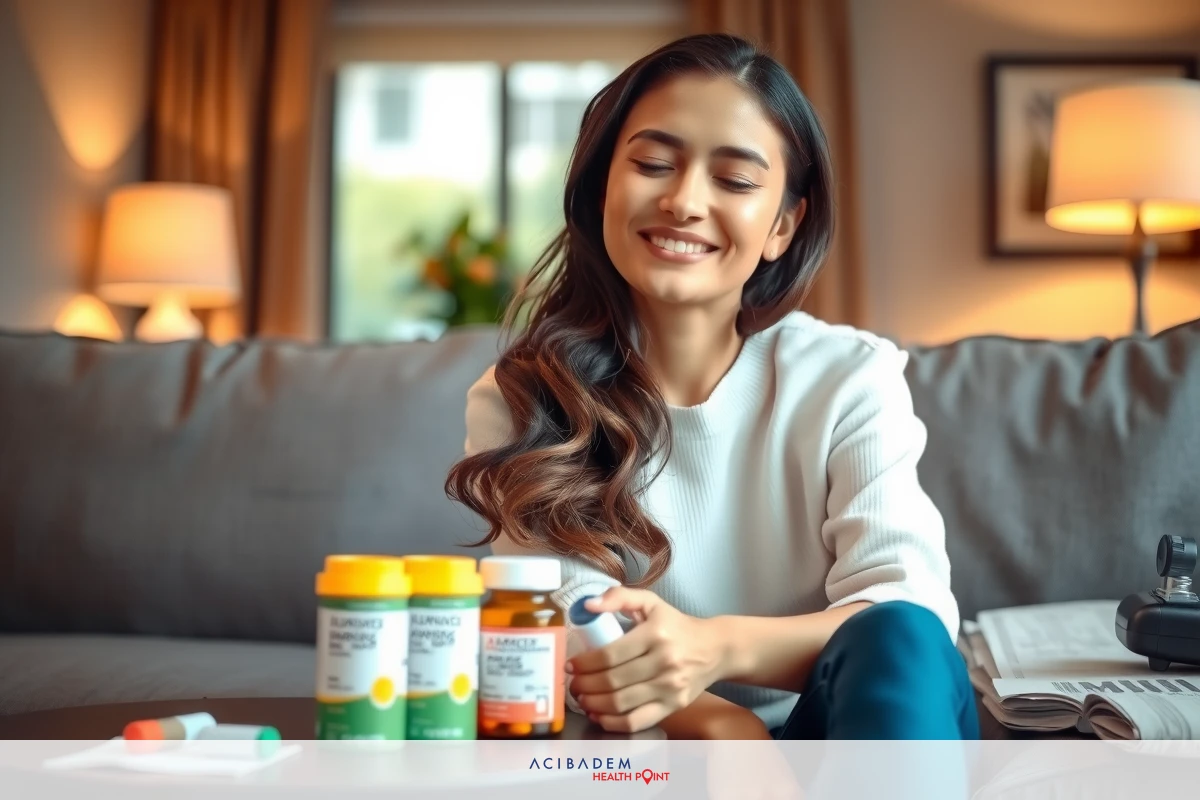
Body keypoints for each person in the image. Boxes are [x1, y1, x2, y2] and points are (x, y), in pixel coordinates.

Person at [446, 33, 978, 741]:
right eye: (653, 163)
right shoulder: (520, 396)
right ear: (605, 181)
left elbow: (908, 605)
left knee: (901, 637)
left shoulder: (849, 375)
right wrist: (724, 726)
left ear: (784, 224)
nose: (684, 201)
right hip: (653, 746)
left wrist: (718, 648)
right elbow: (561, 619)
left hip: (853, 728)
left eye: (733, 180)